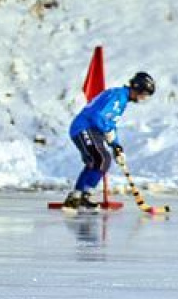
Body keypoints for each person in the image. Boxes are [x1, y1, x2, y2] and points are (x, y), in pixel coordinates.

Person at [63, 72, 156, 210]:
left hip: (94, 130)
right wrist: (108, 131)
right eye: (144, 94)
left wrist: (116, 145)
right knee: (102, 158)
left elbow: (110, 123)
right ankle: (81, 195)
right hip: (84, 127)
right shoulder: (117, 96)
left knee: (97, 161)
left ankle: (80, 195)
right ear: (137, 88)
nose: (143, 98)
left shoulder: (122, 100)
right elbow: (97, 116)